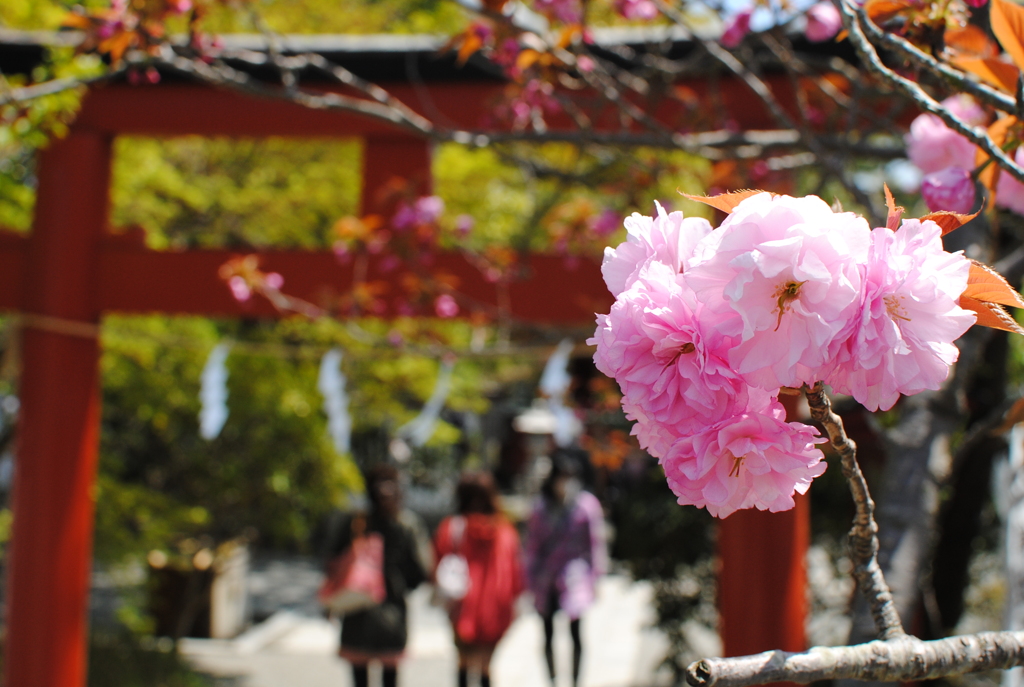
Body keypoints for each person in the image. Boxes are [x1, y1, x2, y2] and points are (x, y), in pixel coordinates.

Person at [329, 464, 432, 687]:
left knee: (360, 680)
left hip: (357, 607)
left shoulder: (356, 523)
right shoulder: (406, 525)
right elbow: (421, 571)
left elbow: (333, 562)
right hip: (391, 611)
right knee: (389, 679)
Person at [434, 472, 524, 687]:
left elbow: (438, 564)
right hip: (496, 608)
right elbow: (515, 573)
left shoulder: (452, 528)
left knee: (463, 662)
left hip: (461, 606)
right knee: (486, 664)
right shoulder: (505, 530)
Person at [525, 453, 607, 687]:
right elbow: (532, 546)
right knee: (548, 633)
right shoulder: (541, 508)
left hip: (575, 577)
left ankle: (575, 680)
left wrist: (596, 578)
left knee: (576, 631)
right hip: (546, 578)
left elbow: (595, 543)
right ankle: (551, 679)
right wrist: (529, 580)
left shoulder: (585, 506)